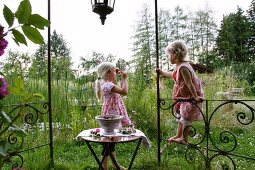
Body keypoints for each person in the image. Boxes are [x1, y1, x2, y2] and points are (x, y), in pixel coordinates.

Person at [157, 40, 203, 145]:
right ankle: (179, 135)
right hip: (185, 97)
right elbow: (172, 75)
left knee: (186, 117)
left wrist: (195, 96)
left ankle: (184, 138)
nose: (168, 58)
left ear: (175, 54)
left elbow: (188, 83)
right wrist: (162, 72)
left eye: (169, 55)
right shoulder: (179, 66)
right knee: (181, 116)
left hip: (191, 96)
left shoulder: (183, 67)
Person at [95, 61, 132, 170]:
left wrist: (120, 79)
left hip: (111, 116)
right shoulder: (108, 85)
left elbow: (119, 90)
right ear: (108, 73)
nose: (117, 73)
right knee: (108, 143)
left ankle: (115, 165)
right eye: (115, 71)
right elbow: (124, 91)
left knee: (111, 142)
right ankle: (104, 167)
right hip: (112, 118)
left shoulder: (106, 84)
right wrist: (125, 79)